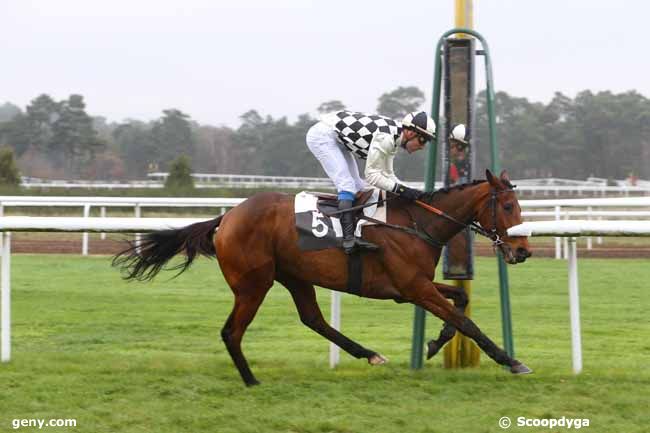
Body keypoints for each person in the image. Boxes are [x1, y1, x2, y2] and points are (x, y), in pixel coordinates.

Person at [306, 110, 436, 254]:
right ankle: (348, 239)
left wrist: (410, 191)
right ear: (411, 133)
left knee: (359, 187)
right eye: (423, 140)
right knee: (347, 185)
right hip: (322, 137)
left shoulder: (394, 137)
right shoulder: (386, 137)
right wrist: (402, 191)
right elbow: (372, 176)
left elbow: (387, 175)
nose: (423, 146)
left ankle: (357, 232)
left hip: (337, 139)